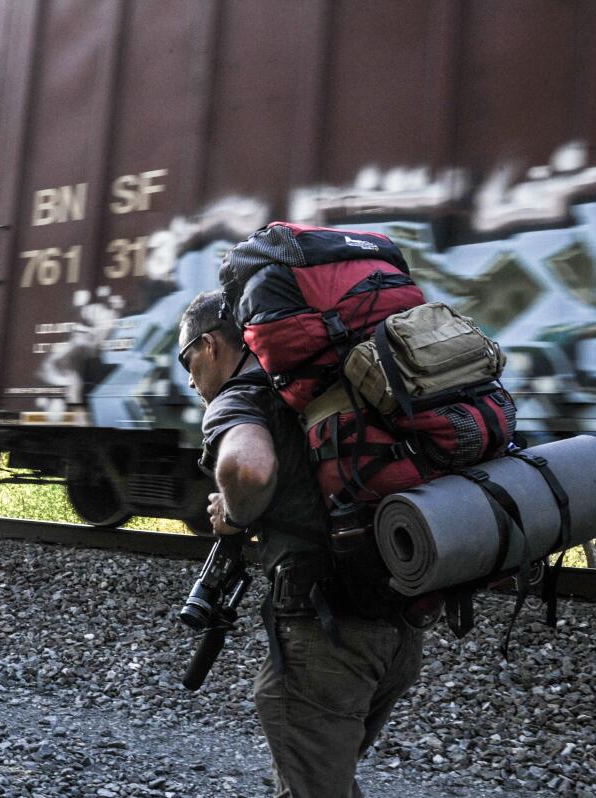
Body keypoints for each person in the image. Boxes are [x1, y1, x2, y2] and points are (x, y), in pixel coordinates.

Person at [178, 289, 424, 798]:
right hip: (401, 623)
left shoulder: (241, 395)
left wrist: (233, 512)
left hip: (328, 634)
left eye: (188, 359)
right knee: (322, 777)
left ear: (210, 346)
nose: (189, 376)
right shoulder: (320, 386)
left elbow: (247, 467)